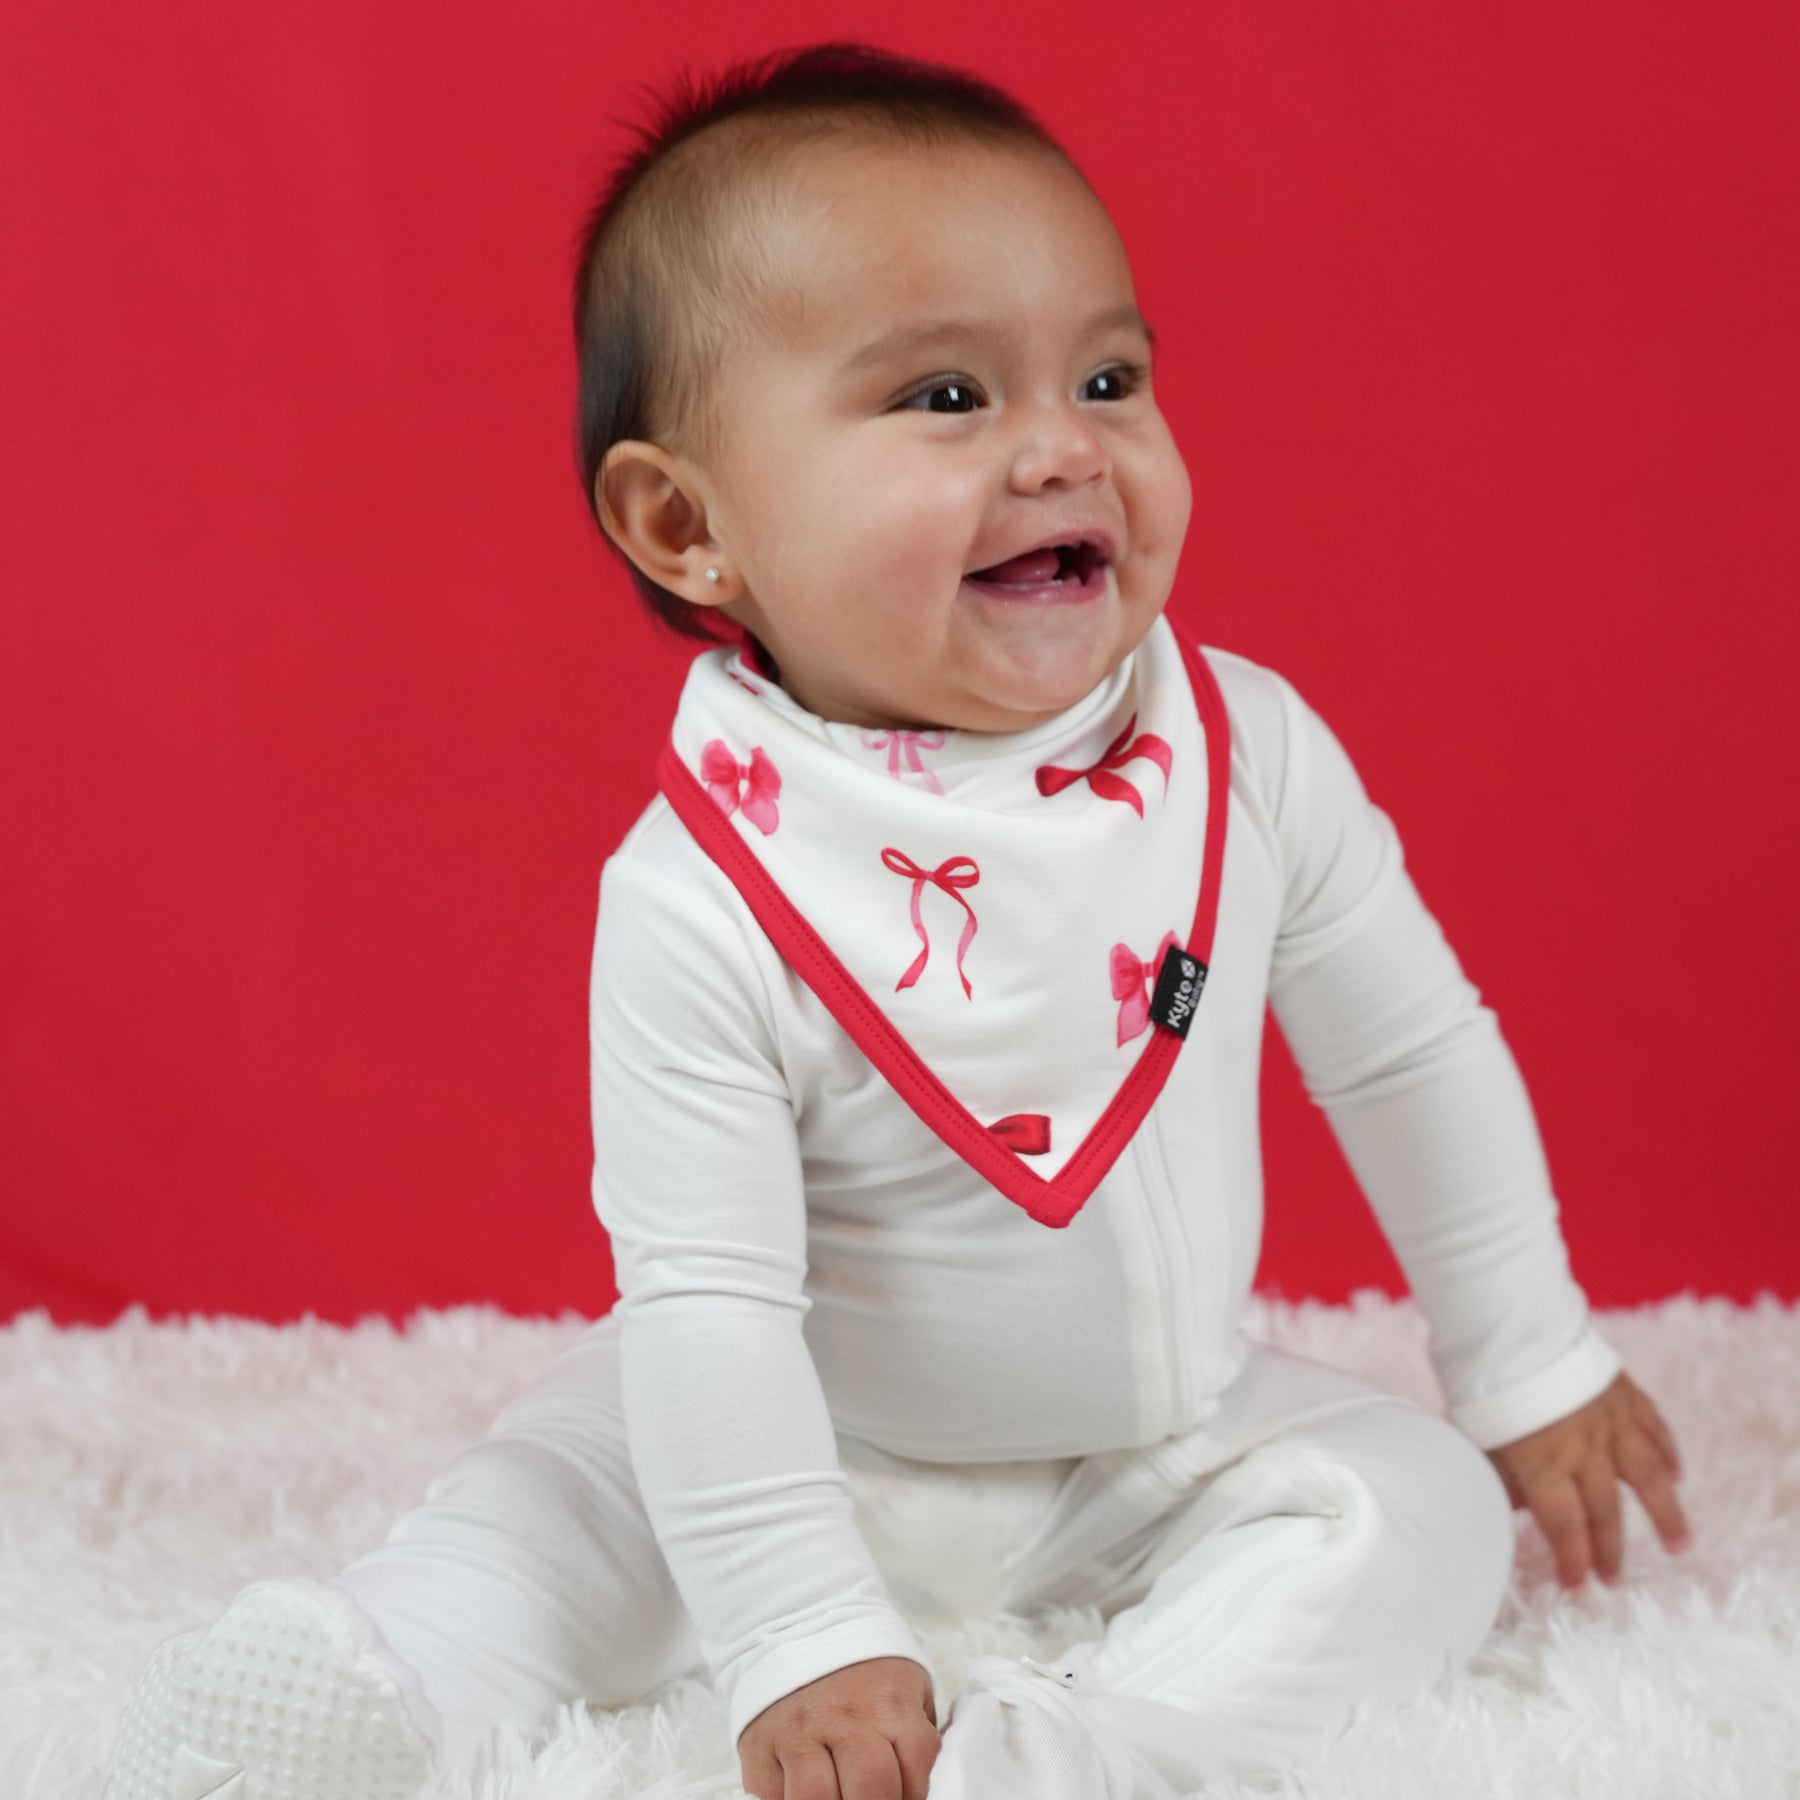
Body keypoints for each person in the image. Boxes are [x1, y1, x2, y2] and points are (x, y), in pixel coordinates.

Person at [102, 38, 1693, 1800]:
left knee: (1420, 1518)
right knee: (569, 1478)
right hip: (808, 1429)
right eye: (946, 399)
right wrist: (798, 1627)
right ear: (689, 526)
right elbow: (708, 1298)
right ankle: (384, 1678)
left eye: (1108, 375)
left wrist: (1526, 1349)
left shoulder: (1240, 762)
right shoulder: (707, 889)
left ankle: (1074, 1754)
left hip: (1152, 1450)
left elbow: (1410, 1053)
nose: (1061, 450)